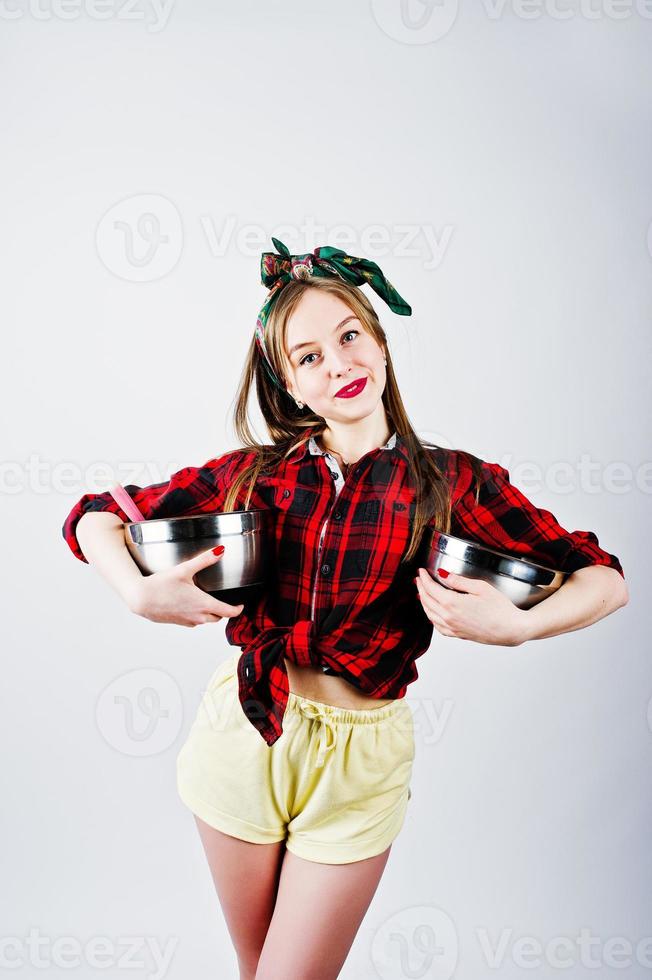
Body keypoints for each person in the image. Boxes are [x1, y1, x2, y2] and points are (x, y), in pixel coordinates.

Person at [61, 237, 628, 980]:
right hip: (245, 730)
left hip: (361, 759)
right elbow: (96, 515)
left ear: (382, 345)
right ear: (291, 386)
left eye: (350, 336)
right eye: (309, 356)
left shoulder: (452, 484)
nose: (338, 364)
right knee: (256, 968)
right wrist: (137, 592)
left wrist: (521, 626)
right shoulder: (255, 476)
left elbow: (604, 580)